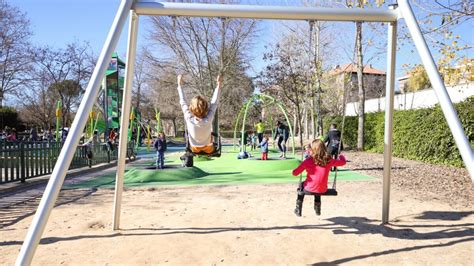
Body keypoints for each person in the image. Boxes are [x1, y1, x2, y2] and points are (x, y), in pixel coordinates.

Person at [292, 139, 346, 216]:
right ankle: (317, 209)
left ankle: (298, 209)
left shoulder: (308, 161)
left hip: (309, 189)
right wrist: (341, 156)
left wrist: (294, 170)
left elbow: (295, 173)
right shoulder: (329, 160)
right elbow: (343, 162)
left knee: (302, 185)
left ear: (313, 149)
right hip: (323, 189)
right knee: (318, 185)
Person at [177, 74, 222, 154]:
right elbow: (214, 103)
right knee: (212, 142)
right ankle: (210, 147)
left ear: (191, 108)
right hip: (208, 148)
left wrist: (179, 85)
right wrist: (219, 85)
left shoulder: (189, 118)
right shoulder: (209, 119)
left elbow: (183, 102)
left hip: (194, 148)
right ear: (206, 108)